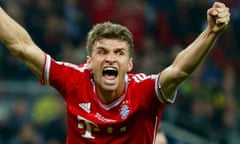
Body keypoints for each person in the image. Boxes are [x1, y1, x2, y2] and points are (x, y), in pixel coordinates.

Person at [0, 2, 230, 144]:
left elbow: (179, 70)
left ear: (129, 64)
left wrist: (211, 32)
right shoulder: (74, 79)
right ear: (89, 62)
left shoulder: (144, 91)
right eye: (102, 51)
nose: (110, 57)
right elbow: (22, 47)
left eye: (119, 53)